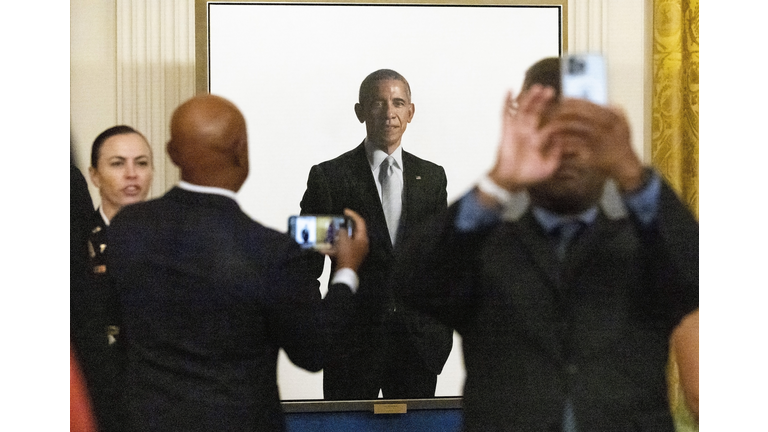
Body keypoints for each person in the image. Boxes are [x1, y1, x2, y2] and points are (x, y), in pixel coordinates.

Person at [392, 58, 699, 431]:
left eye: (582, 131)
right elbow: (411, 284)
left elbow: (698, 280)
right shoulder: (482, 245)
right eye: (550, 133)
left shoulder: (648, 244)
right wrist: (498, 181)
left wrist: (632, 172)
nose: (567, 149)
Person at [107, 94, 369, 432]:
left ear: (171, 153)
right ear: (241, 151)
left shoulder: (127, 229)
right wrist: (347, 270)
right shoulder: (271, 251)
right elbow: (313, 351)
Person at [299, 69, 453, 400]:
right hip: (349, 346)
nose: (389, 113)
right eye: (377, 103)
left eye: (398, 103)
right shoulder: (328, 177)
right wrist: (320, 326)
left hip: (418, 348)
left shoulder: (432, 178)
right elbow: (303, 263)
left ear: (410, 112)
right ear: (360, 111)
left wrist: (439, 332)